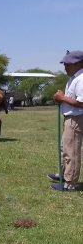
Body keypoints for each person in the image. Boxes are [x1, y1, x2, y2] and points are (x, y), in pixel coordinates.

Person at [48, 50, 83, 191]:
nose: (65, 67)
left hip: (76, 118)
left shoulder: (81, 79)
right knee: (65, 148)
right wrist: (60, 99)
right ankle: (63, 175)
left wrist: (62, 98)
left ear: (79, 64)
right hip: (70, 117)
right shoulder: (74, 78)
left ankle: (69, 184)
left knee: (72, 152)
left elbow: (81, 103)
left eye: (68, 64)